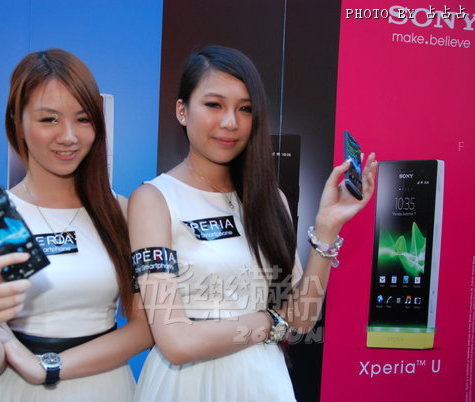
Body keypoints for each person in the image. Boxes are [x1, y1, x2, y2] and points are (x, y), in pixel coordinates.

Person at [128, 45, 377, 401]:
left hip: (263, 382)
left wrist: (327, 227)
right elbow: (177, 343)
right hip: (187, 387)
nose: (231, 122)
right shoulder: (153, 200)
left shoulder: (271, 199)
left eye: (245, 109)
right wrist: (272, 321)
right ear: (182, 110)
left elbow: (302, 319)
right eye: (214, 105)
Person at [0, 48, 152, 401]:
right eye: (49, 119)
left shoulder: (121, 212)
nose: (68, 136)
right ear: (17, 121)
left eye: (83, 119)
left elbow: (145, 329)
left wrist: (50, 366)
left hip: (104, 388)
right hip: (15, 391)